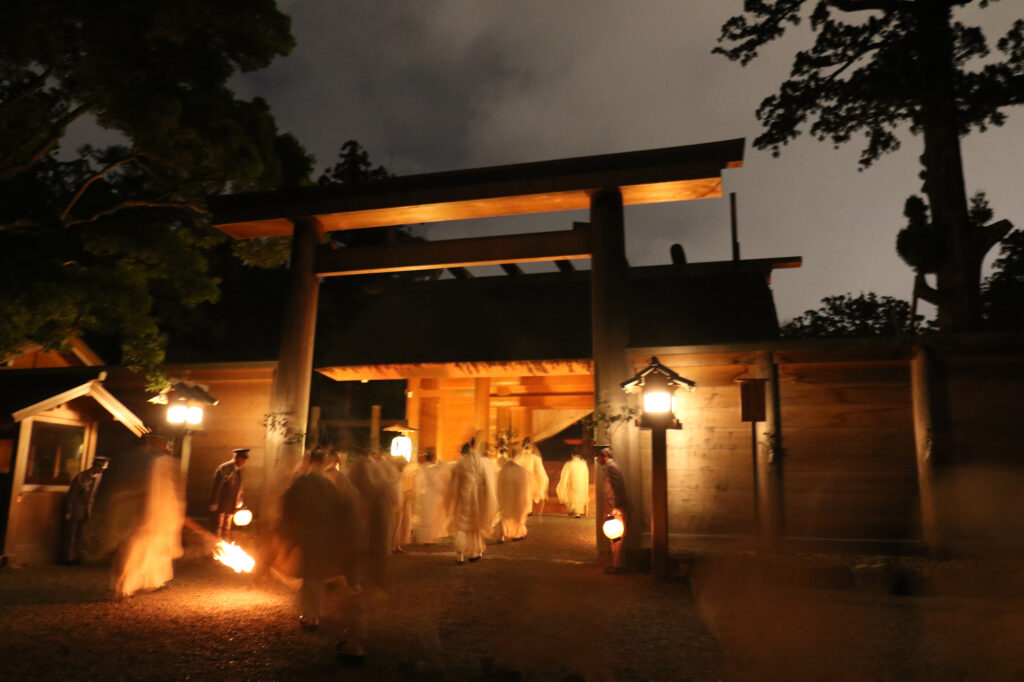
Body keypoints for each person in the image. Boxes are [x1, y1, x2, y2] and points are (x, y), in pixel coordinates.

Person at [113, 441, 184, 598]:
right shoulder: (157, 464)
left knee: (156, 553)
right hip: (147, 518)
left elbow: (169, 492)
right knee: (135, 553)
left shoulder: (162, 464)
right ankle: (125, 586)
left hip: (159, 519)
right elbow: (157, 492)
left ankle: (154, 581)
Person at [447, 442, 496, 564]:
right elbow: (489, 482)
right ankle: (474, 552)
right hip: (477, 497)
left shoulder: (459, 463)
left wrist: (453, 499)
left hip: (463, 497)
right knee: (475, 526)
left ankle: (460, 554)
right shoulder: (483, 462)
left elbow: (454, 483)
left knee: (462, 525)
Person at [61, 455, 109, 564]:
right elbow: (72, 495)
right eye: (100, 468)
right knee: (71, 534)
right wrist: (68, 510)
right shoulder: (81, 476)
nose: (101, 471)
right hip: (76, 509)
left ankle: (76, 556)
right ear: (94, 466)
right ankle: (68, 558)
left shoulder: (99, 477)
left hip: (88, 510)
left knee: (81, 534)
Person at [595, 443, 630, 574]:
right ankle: (616, 564)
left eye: (598, 457)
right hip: (612, 506)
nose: (597, 460)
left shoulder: (612, 467)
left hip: (615, 507)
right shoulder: (610, 467)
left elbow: (617, 487)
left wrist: (616, 507)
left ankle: (618, 565)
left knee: (617, 537)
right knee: (615, 537)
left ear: (604, 455)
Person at [210, 448, 248, 540]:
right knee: (217, 528)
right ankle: (215, 548)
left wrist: (239, 503)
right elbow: (217, 486)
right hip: (221, 505)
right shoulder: (226, 468)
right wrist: (214, 502)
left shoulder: (241, 470)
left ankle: (224, 548)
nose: (244, 462)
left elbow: (239, 487)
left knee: (226, 529)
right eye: (242, 459)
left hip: (231, 506)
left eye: (245, 460)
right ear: (237, 458)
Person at [414, 450, 450, 544]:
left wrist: (419, 492)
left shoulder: (423, 468)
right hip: (434, 494)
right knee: (432, 516)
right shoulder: (436, 468)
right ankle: (430, 536)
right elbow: (444, 480)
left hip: (427, 494)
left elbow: (419, 482)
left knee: (428, 515)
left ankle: (429, 536)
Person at [496, 456, 530, 542]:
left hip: (506, 498)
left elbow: (499, 487)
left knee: (504, 516)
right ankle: (518, 533)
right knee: (518, 516)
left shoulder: (502, 472)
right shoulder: (521, 472)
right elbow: (524, 488)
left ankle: (501, 535)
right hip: (518, 498)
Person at [515, 437, 549, 517]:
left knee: (522, 494)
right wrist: (542, 479)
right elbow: (540, 471)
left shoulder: (518, 457)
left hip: (520, 479)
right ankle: (527, 510)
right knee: (528, 495)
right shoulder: (535, 458)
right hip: (529, 479)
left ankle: (524, 510)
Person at [556, 450, 590, 518]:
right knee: (579, 497)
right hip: (582, 484)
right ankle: (578, 513)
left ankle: (572, 511)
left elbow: (565, 476)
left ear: (572, 455)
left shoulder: (569, 464)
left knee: (572, 497)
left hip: (572, 483)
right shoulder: (583, 464)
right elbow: (586, 476)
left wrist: (563, 484)